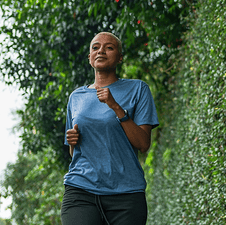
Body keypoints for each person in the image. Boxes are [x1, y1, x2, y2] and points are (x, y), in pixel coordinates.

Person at [61, 32, 159, 225]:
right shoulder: (76, 97)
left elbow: (143, 144)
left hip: (126, 194)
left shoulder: (138, 89)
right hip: (80, 189)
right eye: (95, 47)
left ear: (120, 57)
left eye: (109, 47)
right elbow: (75, 153)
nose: (101, 51)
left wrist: (116, 107)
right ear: (90, 58)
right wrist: (72, 142)